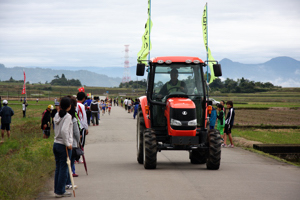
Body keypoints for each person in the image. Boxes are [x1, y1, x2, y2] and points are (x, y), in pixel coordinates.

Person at [53, 97, 73, 198]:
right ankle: (60, 191)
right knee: (63, 168)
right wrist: (68, 144)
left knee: (58, 168)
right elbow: (64, 131)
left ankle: (57, 190)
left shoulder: (57, 114)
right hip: (63, 145)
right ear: (69, 106)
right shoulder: (67, 116)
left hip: (56, 143)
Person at [66, 96, 80, 189]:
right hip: (71, 144)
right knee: (69, 165)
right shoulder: (72, 118)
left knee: (63, 165)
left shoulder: (58, 116)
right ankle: (68, 183)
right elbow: (76, 133)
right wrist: (78, 142)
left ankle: (64, 184)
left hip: (59, 143)